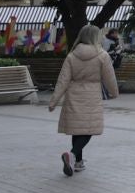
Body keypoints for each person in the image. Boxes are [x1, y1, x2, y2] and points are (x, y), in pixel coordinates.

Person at [47, 26, 118, 177]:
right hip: (92, 95)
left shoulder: (72, 55)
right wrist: (114, 92)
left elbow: (63, 80)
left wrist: (53, 101)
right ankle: (72, 155)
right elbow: (109, 77)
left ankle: (78, 162)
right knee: (89, 129)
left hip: (74, 95)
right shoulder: (102, 55)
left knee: (77, 128)